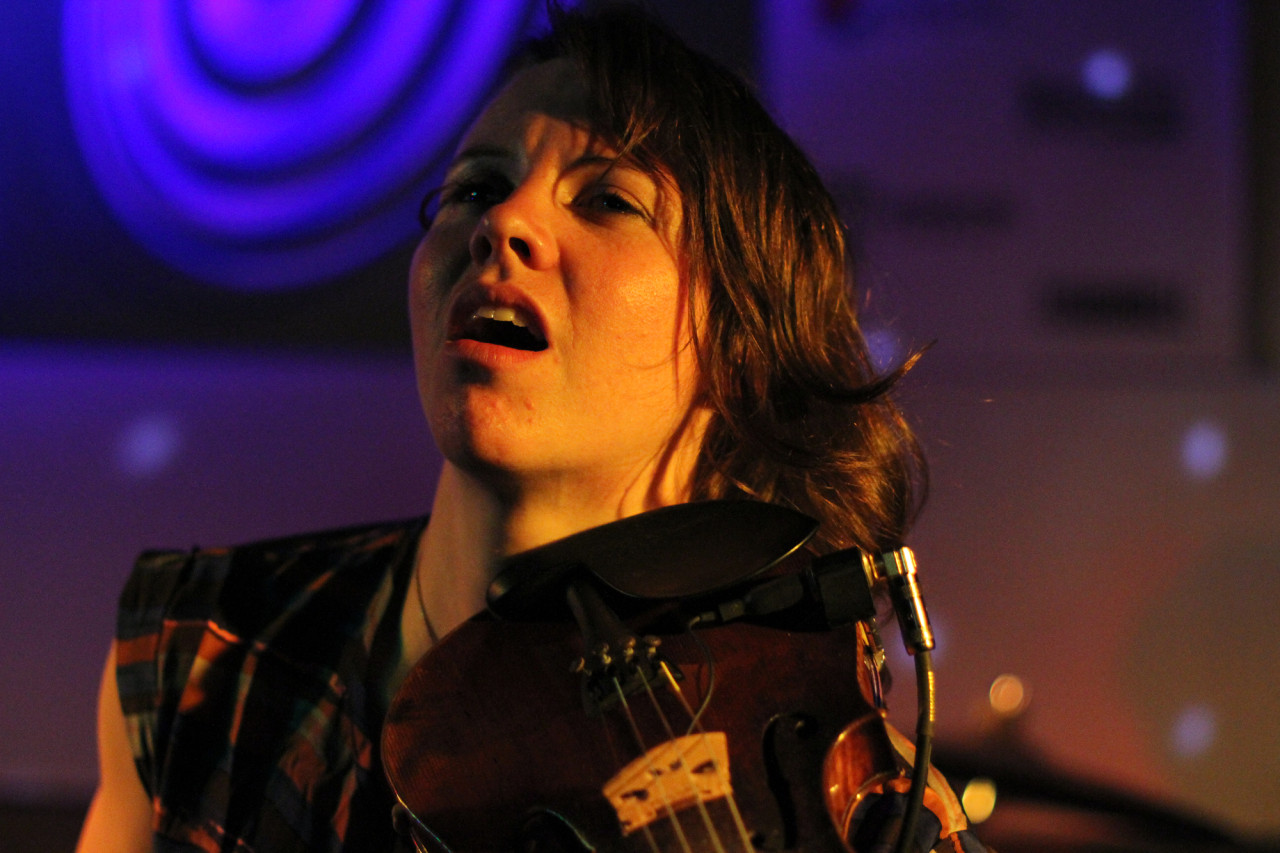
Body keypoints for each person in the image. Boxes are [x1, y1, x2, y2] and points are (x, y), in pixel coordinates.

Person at [77, 5, 987, 852]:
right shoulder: (202, 650)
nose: (504, 223)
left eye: (607, 200)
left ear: (738, 343)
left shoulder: (838, 796)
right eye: (476, 188)